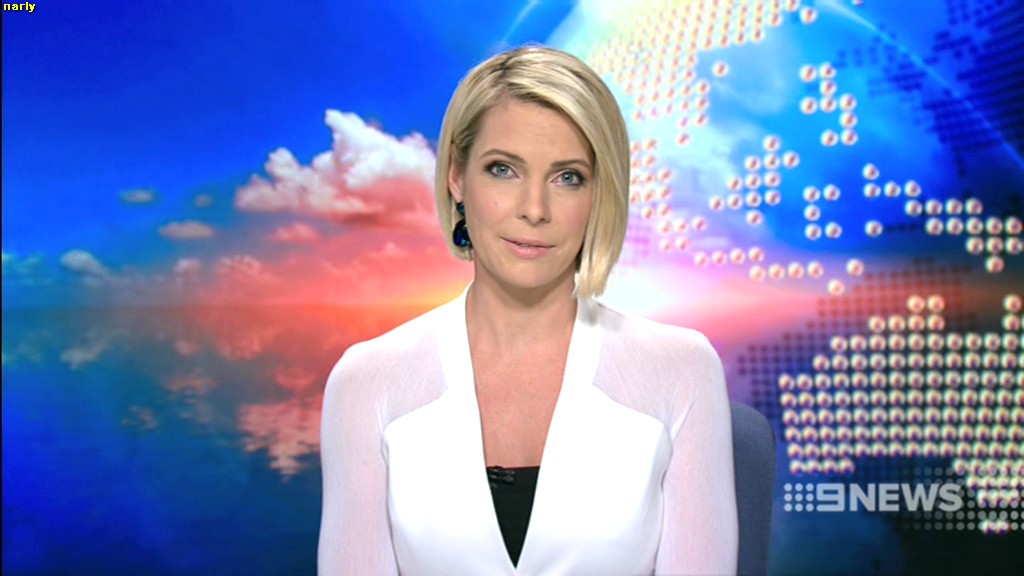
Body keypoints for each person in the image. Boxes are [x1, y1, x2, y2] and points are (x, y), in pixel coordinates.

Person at [318, 45, 738, 575]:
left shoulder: (681, 369)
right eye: (503, 170)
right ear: (457, 178)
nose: (534, 209)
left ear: (600, 193)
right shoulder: (367, 382)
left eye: (568, 178)